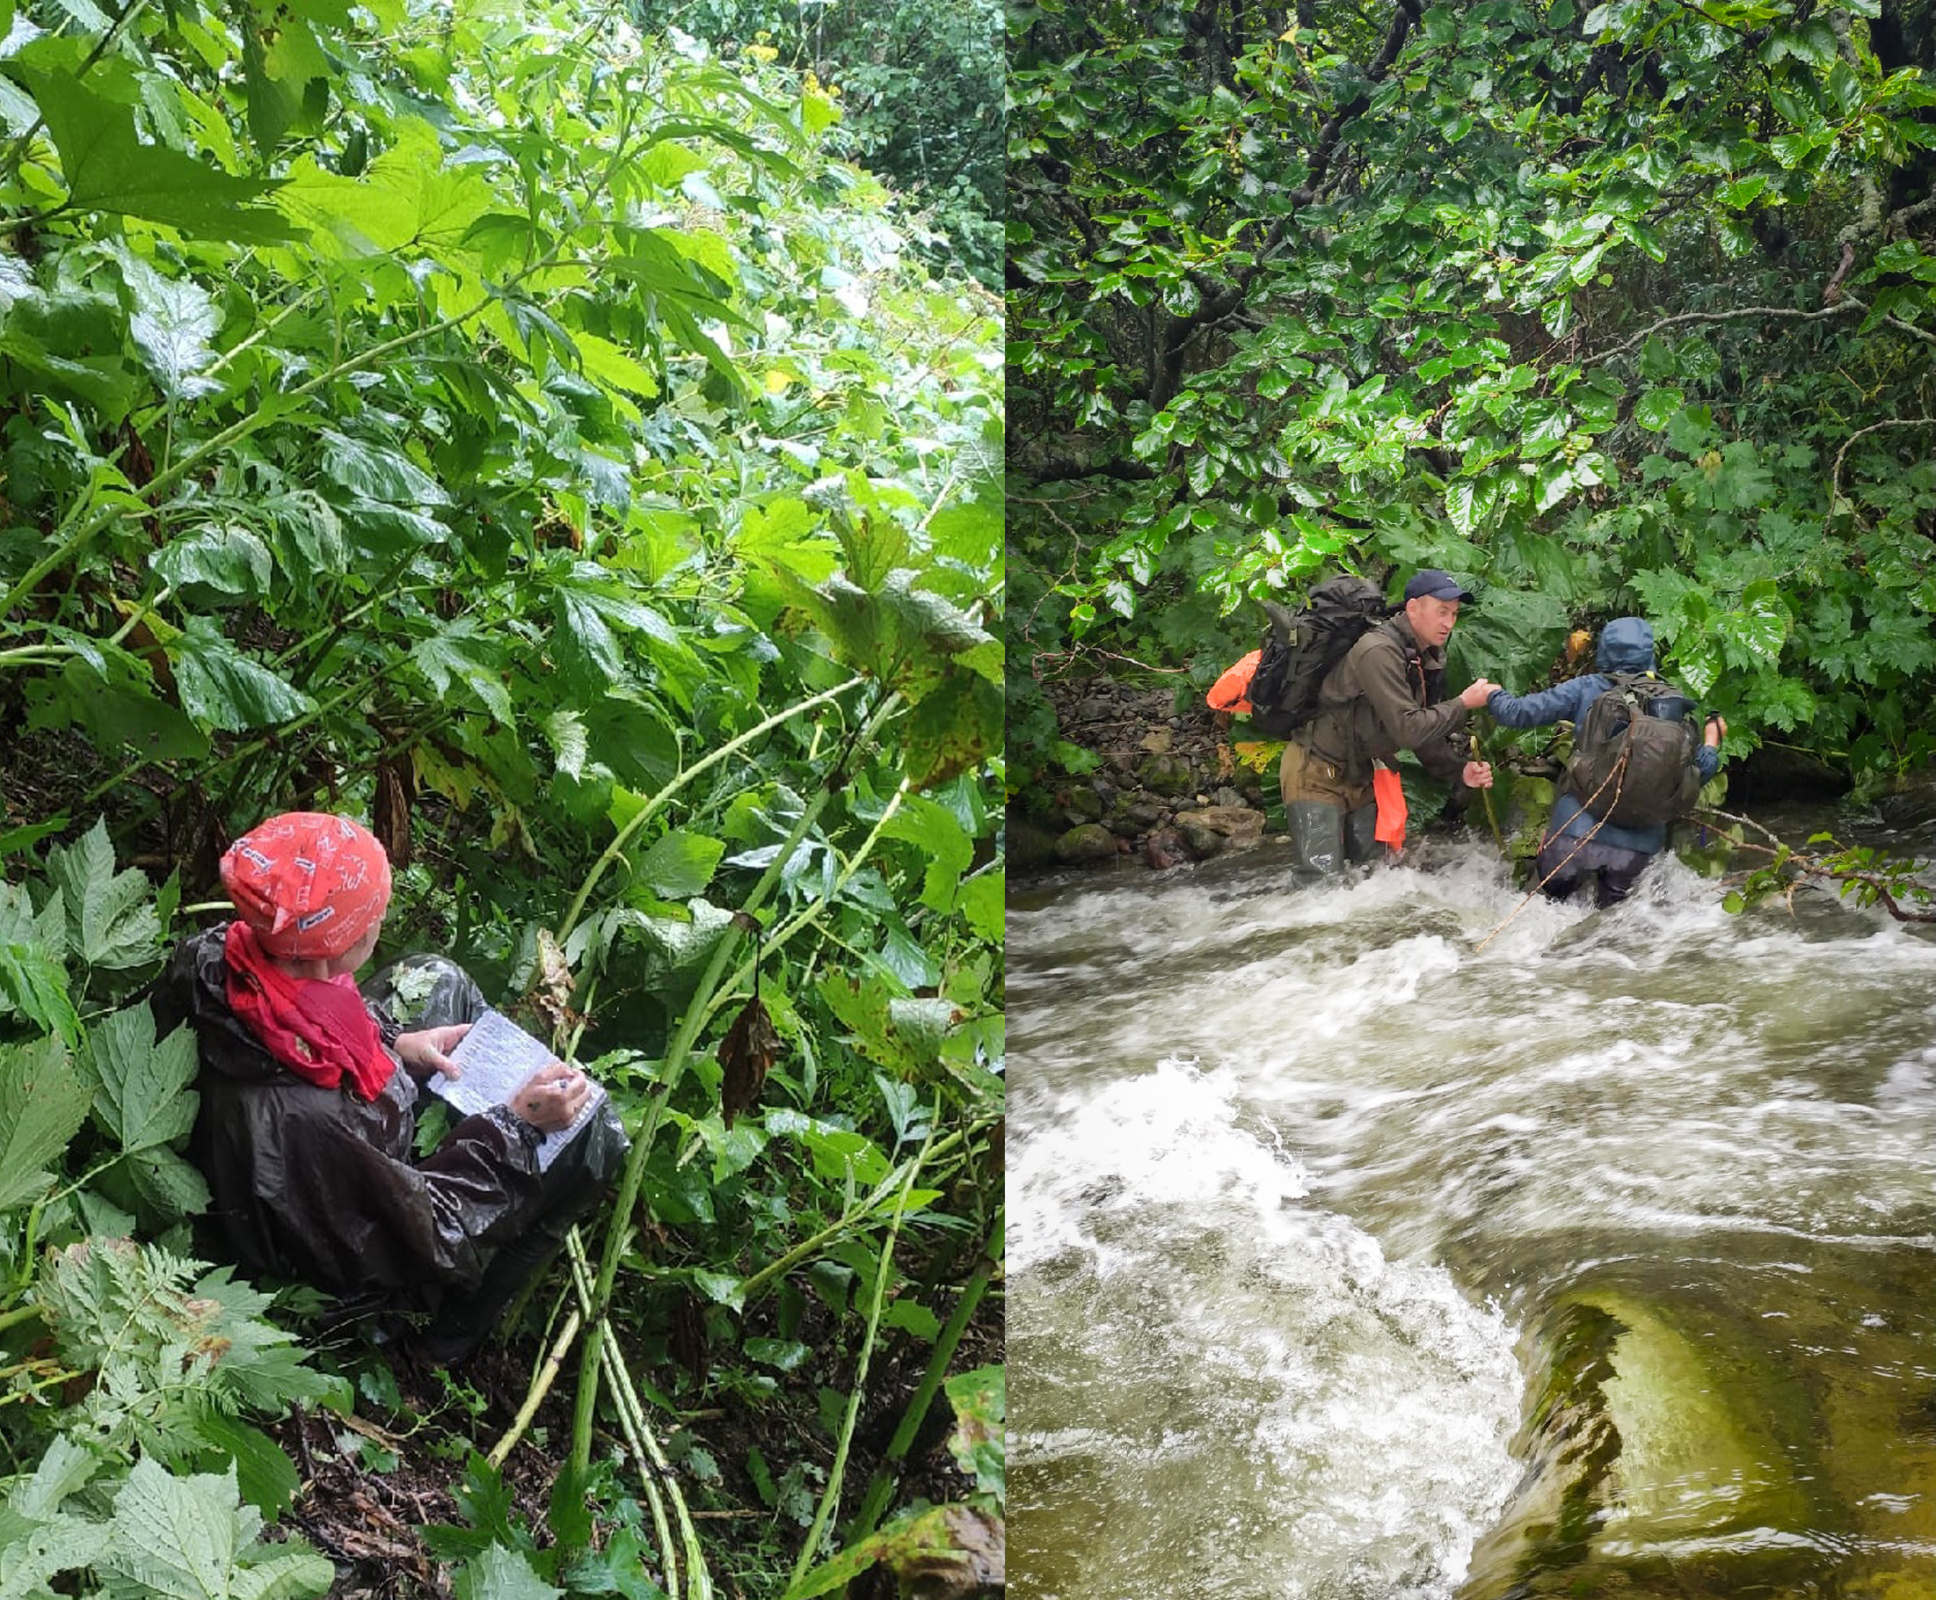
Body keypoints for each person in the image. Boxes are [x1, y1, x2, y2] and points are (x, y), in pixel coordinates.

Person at [152, 811, 629, 1362]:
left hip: (268, 1150)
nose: (383, 918)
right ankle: (435, 1340)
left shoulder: (213, 953)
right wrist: (515, 1127)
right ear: (340, 947)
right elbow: (438, 1233)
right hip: (311, 1231)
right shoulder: (321, 1116)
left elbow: (287, 1025)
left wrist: (395, 1045)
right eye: (374, 914)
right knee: (595, 1137)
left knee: (438, 978)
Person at [1485, 617, 1725, 907]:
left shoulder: (1586, 688)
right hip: (1636, 852)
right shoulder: (1672, 701)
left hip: (1573, 838)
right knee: (1607, 934)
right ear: (1651, 655)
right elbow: (1697, 774)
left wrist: (1492, 694)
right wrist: (1712, 739)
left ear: (1603, 652)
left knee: (1542, 912)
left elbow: (1517, 714)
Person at [1280, 568, 1500, 873]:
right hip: (1315, 771)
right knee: (1321, 886)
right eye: (1441, 612)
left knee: (1373, 877)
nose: (1449, 623)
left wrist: (1459, 770)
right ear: (1413, 608)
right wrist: (1464, 703)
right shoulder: (1379, 651)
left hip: (1360, 775)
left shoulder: (1425, 656)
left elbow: (1423, 726)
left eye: (1453, 614)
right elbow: (1409, 729)